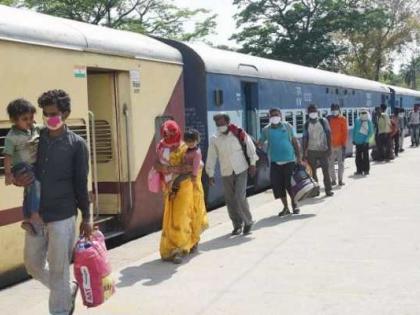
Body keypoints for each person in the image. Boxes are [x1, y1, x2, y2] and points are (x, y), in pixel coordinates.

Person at [14, 90, 92, 315]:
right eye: (45, 114)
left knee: (59, 269)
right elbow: (24, 169)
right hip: (36, 215)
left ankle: (60, 310)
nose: (49, 119)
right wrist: (19, 178)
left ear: (66, 114)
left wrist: (86, 217)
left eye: (54, 114)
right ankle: (67, 290)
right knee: (32, 265)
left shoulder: (77, 145)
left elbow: (80, 182)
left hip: (63, 215)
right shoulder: (35, 140)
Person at [206, 113, 258, 235]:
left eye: (222, 122)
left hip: (241, 169)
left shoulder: (238, 132)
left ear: (228, 122)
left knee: (240, 196)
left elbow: (250, 147)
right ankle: (237, 225)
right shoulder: (214, 138)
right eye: (217, 123)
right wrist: (210, 174)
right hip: (226, 171)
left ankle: (248, 221)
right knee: (230, 200)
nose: (220, 125)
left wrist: (253, 163)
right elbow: (211, 156)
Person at [155, 120, 197, 264]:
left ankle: (180, 249)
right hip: (167, 186)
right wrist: (165, 170)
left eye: (171, 133)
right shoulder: (160, 146)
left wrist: (168, 170)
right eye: (165, 134)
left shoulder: (185, 147)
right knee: (169, 218)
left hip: (183, 185)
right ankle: (169, 249)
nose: (168, 136)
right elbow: (156, 164)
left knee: (181, 216)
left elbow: (190, 168)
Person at [3, 99, 42, 234]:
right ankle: (34, 215)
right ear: (14, 120)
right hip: (21, 166)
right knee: (35, 184)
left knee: (30, 191)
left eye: (31, 118)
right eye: (25, 119)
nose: (29, 121)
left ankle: (27, 217)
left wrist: (58, 123)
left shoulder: (34, 129)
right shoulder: (11, 137)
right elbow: (7, 156)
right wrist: (9, 175)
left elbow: (49, 126)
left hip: (34, 166)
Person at [258, 108, 302, 216]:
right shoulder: (266, 130)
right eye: (272, 115)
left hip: (289, 160)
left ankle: (295, 204)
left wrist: (299, 157)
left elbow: (295, 142)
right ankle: (285, 207)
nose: (274, 117)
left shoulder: (287, 126)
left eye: (276, 115)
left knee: (290, 185)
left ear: (281, 116)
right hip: (275, 161)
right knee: (278, 187)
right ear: (269, 118)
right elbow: (260, 143)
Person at [183, 128, 209, 252]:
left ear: (197, 140)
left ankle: (195, 240)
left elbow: (194, 172)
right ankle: (190, 240)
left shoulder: (197, 153)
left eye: (192, 141)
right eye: (188, 141)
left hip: (194, 186)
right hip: (188, 184)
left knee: (195, 212)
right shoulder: (185, 150)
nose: (190, 143)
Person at [302, 104, 334, 197]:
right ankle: (316, 190)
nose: (313, 113)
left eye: (314, 111)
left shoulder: (323, 121)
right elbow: (305, 138)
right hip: (311, 151)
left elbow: (328, 135)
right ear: (308, 113)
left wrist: (329, 148)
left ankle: (328, 190)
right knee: (313, 173)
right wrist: (304, 152)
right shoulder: (306, 124)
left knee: (325, 171)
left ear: (317, 111)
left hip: (323, 150)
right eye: (311, 111)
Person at [327, 104, 348, 186]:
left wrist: (344, 144)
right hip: (331, 145)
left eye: (335, 109)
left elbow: (345, 133)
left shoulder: (343, 119)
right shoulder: (328, 119)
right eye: (332, 109)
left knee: (341, 163)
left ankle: (340, 180)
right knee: (330, 164)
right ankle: (333, 180)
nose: (334, 111)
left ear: (339, 110)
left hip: (340, 145)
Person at [353, 109, 374, 175]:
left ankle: (366, 170)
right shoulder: (357, 120)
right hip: (358, 142)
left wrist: (366, 141)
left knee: (365, 157)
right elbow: (354, 130)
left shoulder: (369, 122)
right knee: (358, 157)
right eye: (362, 113)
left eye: (364, 113)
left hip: (365, 143)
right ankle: (359, 170)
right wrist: (354, 139)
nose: (363, 114)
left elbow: (371, 133)